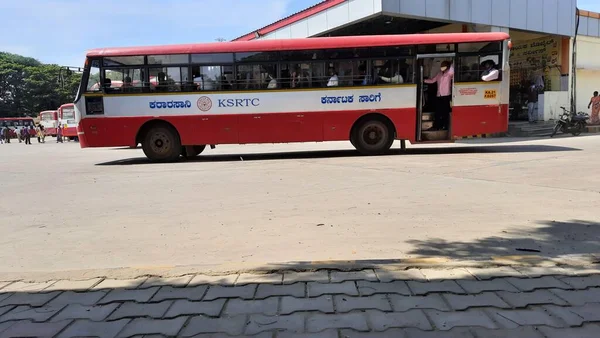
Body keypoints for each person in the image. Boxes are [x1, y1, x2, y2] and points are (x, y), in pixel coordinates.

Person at [424, 60, 454, 130]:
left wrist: (452, 62)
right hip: (439, 95)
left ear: (447, 67)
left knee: (445, 112)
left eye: (443, 65)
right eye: (441, 65)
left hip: (446, 95)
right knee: (438, 111)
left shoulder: (449, 74)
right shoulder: (439, 74)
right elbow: (433, 80)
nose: (441, 67)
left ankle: (445, 126)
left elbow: (452, 69)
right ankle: (437, 126)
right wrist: (424, 81)